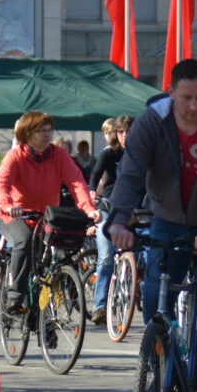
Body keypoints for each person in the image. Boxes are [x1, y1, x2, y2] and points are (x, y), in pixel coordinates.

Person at [109, 58, 197, 392]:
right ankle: (161, 362)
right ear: (170, 93)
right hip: (168, 220)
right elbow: (130, 174)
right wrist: (117, 220)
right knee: (156, 288)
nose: (194, 106)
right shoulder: (150, 124)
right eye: (186, 98)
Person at [0, 111, 100, 313]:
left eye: (49, 130)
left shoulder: (59, 155)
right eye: (40, 131)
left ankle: (47, 316)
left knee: (60, 255)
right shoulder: (14, 156)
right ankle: (15, 296)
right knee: (24, 241)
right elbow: (1, 185)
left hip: (46, 217)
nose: (47, 134)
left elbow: (76, 182)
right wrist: (8, 206)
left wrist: (88, 209)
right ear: (27, 134)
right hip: (15, 216)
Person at [88, 114, 132, 324]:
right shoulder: (110, 153)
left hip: (134, 210)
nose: (124, 136)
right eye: (121, 131)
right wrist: (91, 194)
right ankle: (99, 306)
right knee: (106, 257)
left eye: (128, 131)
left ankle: (133, 297)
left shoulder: (142, 154)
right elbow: (95, 176)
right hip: (108, 207)